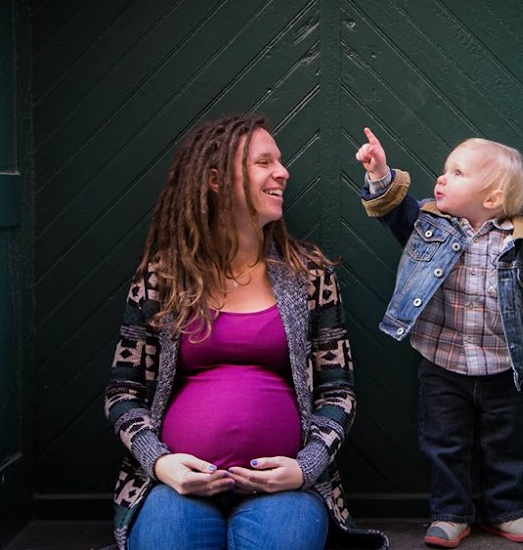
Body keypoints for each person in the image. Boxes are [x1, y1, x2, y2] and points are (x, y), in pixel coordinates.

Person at [104, 114, 387, 550]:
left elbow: (338, 392)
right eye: (264, 162)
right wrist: (160, 464)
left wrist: (306, 467)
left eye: (279, 161)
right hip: (177, 490)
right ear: (216, 180)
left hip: (285, 493)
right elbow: (123, 392)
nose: (282, 172)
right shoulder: (162, 277)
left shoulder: (308, 275)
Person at [354, 127, 523, 548]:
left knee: (507, 443)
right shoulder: (430, 226)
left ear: (491, 199)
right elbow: (395, 213)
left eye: (457, 172)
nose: (443, 178)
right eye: (445, 170)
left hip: (504, 367)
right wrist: (379, 171)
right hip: (442, 364)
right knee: (443, 442)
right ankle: (451, 512)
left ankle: (506, 509)